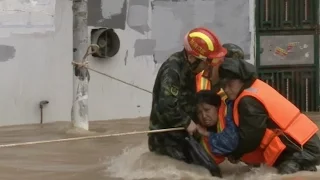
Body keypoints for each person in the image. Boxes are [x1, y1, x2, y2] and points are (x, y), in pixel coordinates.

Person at [218, 57, 320, 174]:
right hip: (304, 146)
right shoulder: (255, 88)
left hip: (301, 150)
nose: (226, 89)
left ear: (242, 80)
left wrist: (235, 154)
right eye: (223, 85)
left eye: (230, 84)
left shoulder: (248, 101)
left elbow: (251, 137)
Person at [148, 27, 227, 177]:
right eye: (206, 62)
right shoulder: (173, 70)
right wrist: (186, 121)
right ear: (193, 58)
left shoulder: (189, 69)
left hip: (183, 135)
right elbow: (167, 106)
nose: (207, 66)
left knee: (211, 171)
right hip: (167, 139)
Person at [195, 90, 239, 165]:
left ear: (217, 107)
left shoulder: (229, 114)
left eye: (207, 110)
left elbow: (231, 143)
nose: (204, 116)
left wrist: (206, 133)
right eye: (199, 112)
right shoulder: (197, 129)